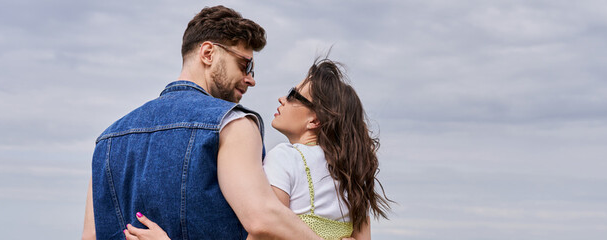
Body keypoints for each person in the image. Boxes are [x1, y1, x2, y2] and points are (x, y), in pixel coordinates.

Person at [82, 5, 322, 240]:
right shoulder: (232, 124)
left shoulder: (107, 140)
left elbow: (91, 235)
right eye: (245, 65)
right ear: (208, 54)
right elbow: (262, 219)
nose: (250, 80)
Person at [123, 58, 394, 240]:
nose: (282, 99)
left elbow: (262, 233)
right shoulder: (351, 177)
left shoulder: (286, 158)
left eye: (293, 95)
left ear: (315, 120)